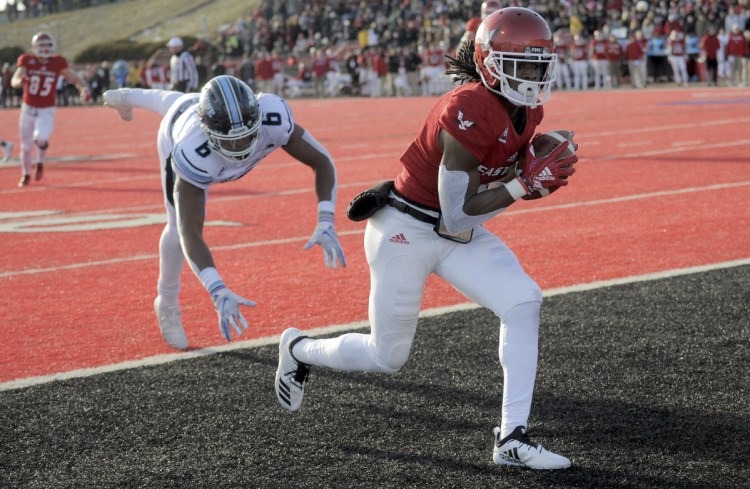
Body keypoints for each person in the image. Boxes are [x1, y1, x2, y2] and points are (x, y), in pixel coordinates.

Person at [274, 7, 577, 470]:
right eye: (523, 66)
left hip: (455, 231)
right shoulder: (467, 108)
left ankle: (512, 438)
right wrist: (522, 184)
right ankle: (298, 349)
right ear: (492, 64)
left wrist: (530, 162)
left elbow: (487, 187)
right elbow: (456, 215)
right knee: (386, 356)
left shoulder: (529, 108)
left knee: (522, 302)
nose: (534, 76)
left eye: (540, 65)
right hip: (407, 229)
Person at [102, 75, 345, 350]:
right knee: (174, 227)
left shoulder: (272, 117)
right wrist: (216, 288)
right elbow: (189, 232)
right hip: (175, 127)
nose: (241, 148)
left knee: (161, 97)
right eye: (231, 142)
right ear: (208, 133)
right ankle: (166, 301)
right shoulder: (192, 150)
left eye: (246, 138)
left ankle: (124, 97)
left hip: (192, 109)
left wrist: (326, 218)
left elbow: (321, 160)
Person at [11, 32, 91, 188]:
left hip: (46, 108)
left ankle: (40, 161)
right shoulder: (27, 60)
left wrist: (84, 89)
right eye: (42, 45)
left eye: (48, 45)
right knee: (26, 146)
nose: (45, 48)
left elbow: (73, 78)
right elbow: (15, 79)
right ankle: (26, 173)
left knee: (41, 137)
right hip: (28, 107)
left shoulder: (58, 62)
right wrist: (19, 82)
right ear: (34, 47)